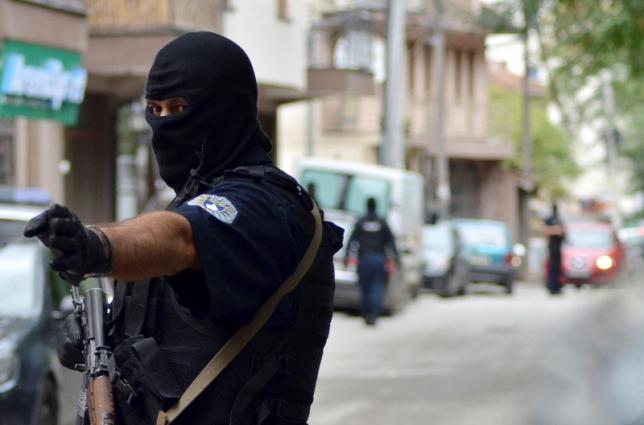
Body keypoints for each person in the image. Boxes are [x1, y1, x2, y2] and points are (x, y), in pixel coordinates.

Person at [24, 31, 343, 425]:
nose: (162, 123)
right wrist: (103, 335)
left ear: (227, 110)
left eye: (177, 108)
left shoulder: (266, 207)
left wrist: (98, 245)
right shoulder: (188, 202)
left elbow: (181, 239)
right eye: (153, 109)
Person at [346, 197, 399, 326]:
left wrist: (347, 257)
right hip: (379, 259)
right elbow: (391, 241)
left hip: (364, 259)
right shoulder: (382, 222)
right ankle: (373, 314)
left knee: (365, 287)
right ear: (376, 206)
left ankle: (366, 313)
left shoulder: (361, 221)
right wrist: (396, 258)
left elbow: (352, 240)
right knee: (377, 287)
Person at [544, 202, 565, 295]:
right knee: (552, 268)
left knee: (557, 268)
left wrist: (558, 230)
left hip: (558, 248)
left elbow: (563, 232)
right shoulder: (549, 219)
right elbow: (546, 231)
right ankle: (551, 287)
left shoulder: (559, 220)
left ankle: (557, 286)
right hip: (552, 248)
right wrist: (556, 230)